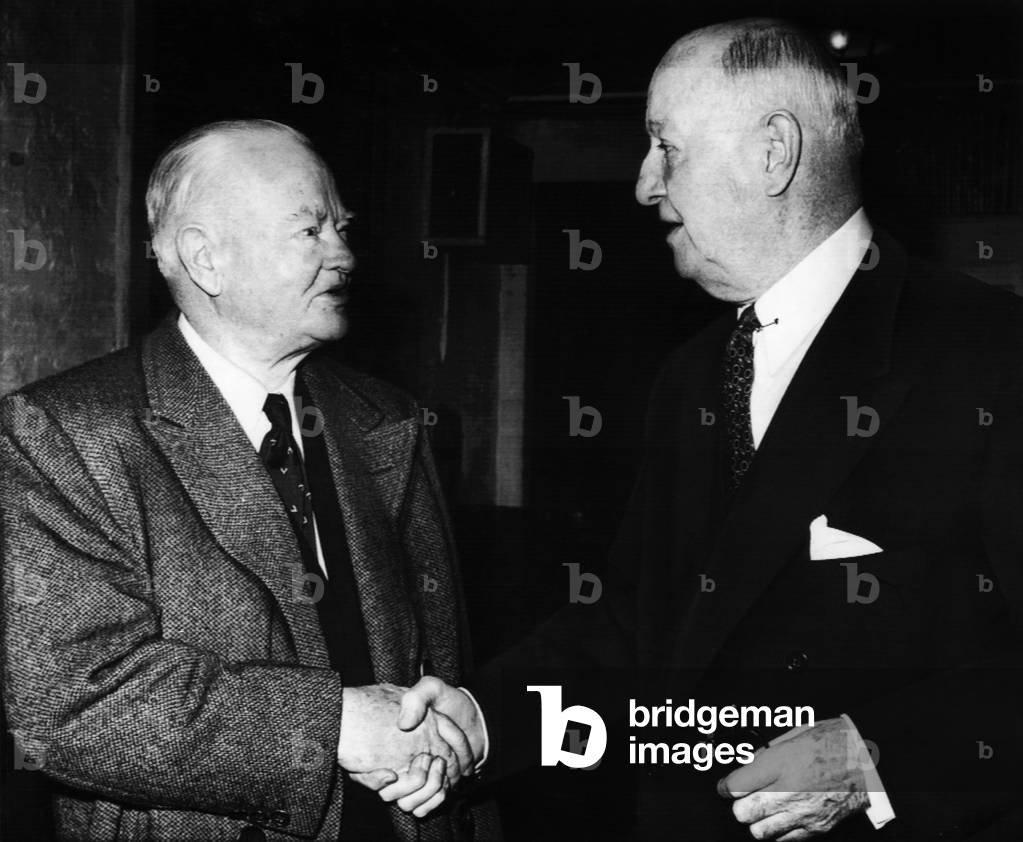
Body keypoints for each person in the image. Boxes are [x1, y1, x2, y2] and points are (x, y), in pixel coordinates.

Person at [395, 18, 1023, 840]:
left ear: (772, 153)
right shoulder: (689, 375)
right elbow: (630, 625)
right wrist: (486, 718)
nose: (643, 185)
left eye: (666, 147)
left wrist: (873, 758)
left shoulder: (989, 352)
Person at [0, 119, 497, 841]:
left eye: (342, 227)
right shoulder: (62, 433)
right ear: (207, 260)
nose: (345, 254)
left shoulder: (385, 419)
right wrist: (333, 725)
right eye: (311, 231)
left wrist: (443, 746)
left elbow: (438, 664)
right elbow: (72, 702)